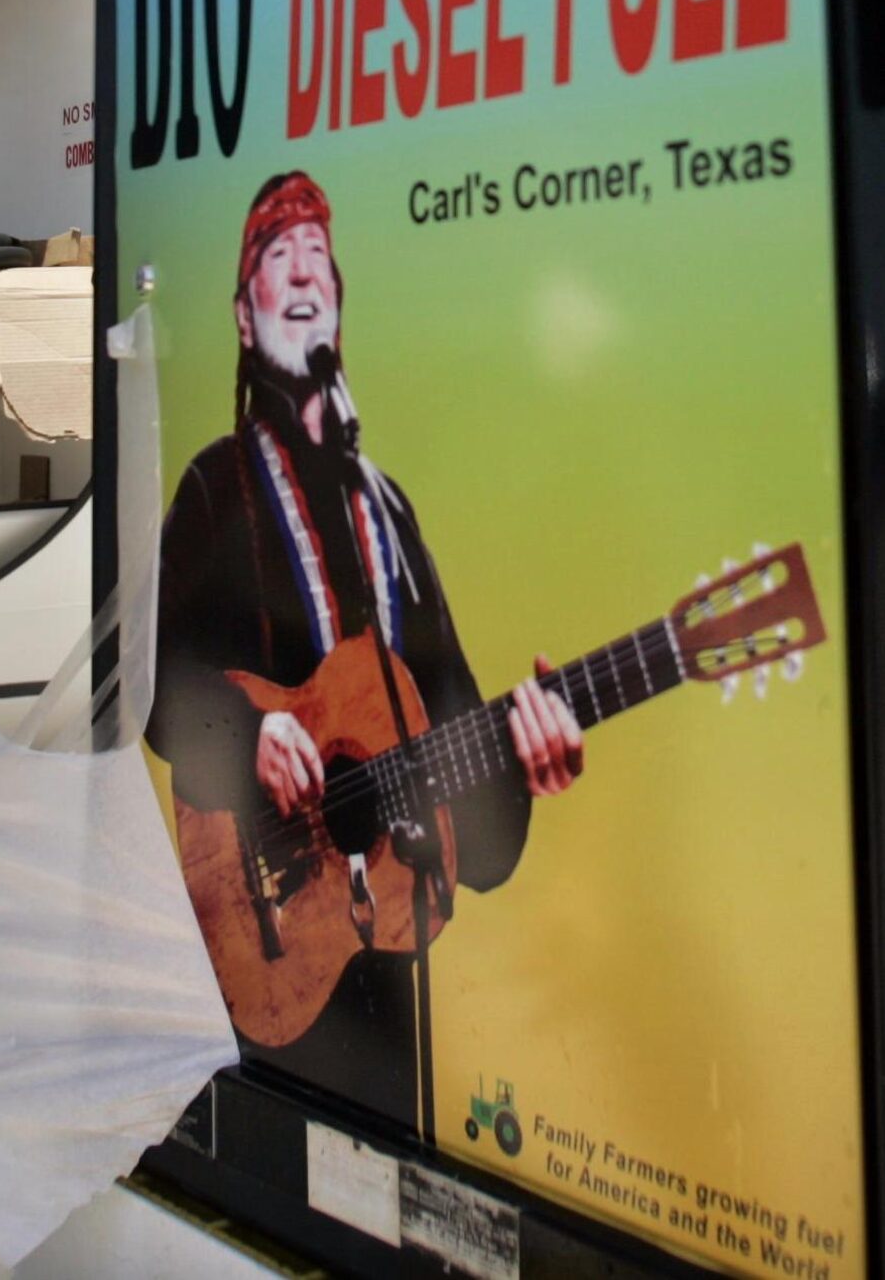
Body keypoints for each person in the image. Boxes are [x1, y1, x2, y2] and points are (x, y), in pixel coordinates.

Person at [149, 171, 582, 1131]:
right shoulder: (218, 490)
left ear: (337, 307)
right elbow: (156, 686)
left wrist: (519, 764)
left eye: (319, 261)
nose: (303, 275)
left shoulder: (390, 514)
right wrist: (249, 731)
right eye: (276, 258)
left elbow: (458, 730)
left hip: (389, 969)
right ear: (241, 311)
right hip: (258, 945)